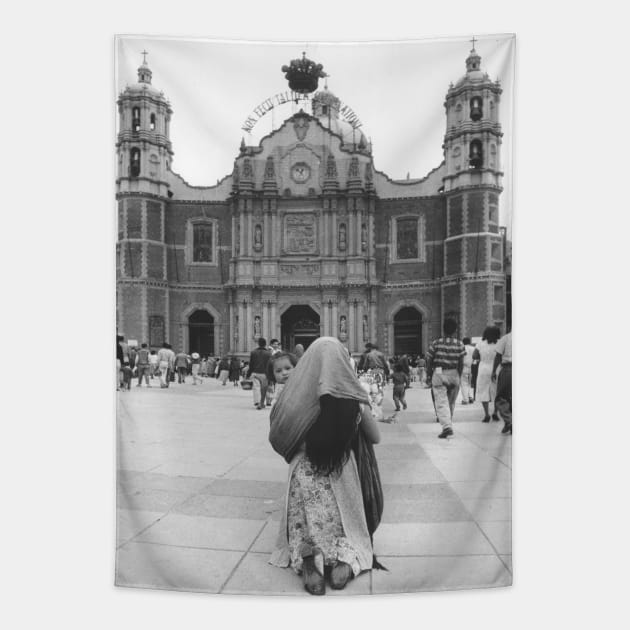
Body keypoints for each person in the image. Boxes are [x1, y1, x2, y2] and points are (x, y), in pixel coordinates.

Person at [268, 337, 381, 595]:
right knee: (346, 525)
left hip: (303, 476)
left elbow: (278, 438)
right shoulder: (352, 399)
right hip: (342, 475)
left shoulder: (292, 399)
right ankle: (345, 564)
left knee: (304, 526)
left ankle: (309, 561)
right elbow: (376, 438)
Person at [425, 318, 466, 438]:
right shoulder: (460, 344)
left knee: (441, 401)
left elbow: (429, 360)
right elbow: (461, 362)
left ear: (443, 329)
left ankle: (447, 427)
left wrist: (428, 374)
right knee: (451, 402)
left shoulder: (436, 343)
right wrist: (458, 375)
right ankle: (449, 422)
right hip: (454, 372)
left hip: (439, 372)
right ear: (455, 330)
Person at [474, 326, 501, 422]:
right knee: (497, 391)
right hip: (497, 368)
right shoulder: (499, 343)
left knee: (483, 390)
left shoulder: (480, 343)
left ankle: (486, 414)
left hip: (483, 368)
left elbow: (474, 355)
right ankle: (495, 412)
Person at [492, 330, 512, 435]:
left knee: (501, 398)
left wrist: (493, 371)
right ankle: (509, 423)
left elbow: (498, 356)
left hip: (508, 369)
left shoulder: (506, 338)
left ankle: (509, 421)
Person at [247, 337, 272, 409]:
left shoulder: (253, 352)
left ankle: (257, 402)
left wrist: (248, 374)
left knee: (256, 387)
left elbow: (251, 364)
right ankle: (262, 403)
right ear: (265, 344)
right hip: (265, 374)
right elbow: (270, 365)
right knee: (264, 389)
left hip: (255, 373)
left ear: (258, 344)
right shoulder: (269, 353)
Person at [460, 337, 475, 404]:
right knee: (469, 384)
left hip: (463, 367)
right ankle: (470, 397)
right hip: (471, 367)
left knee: (463, 384)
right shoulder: (473, 348)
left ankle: (465, 399)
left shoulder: (462, 348)